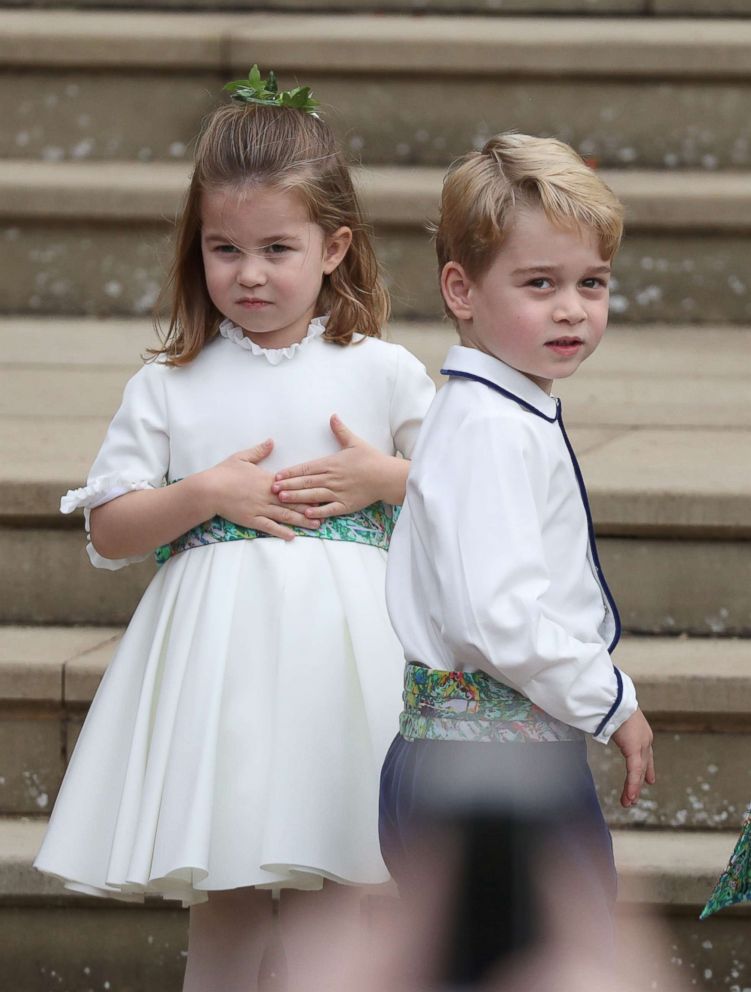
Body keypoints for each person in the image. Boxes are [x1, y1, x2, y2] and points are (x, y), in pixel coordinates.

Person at [34, 67, 435, 991]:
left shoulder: (380, 371)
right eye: (224, 249)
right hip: (220, 679)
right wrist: (205, 493)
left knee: (343, 880)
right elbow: (112, 529)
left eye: (276, 248)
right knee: (230, 890)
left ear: (334, 246)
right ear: (196, 247)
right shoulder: (170, 384)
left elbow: (466, 492)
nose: (248, 274)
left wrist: (383, 477)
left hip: (347, 666)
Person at [380, 132, 656, 979]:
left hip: (479, 755)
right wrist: (609, 701)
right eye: (539, 285)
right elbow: (499, 615)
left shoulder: (494, 411)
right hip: (496, 770)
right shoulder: (494, 429)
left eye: (590, 284)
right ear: (460, 290)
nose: (571, 309)